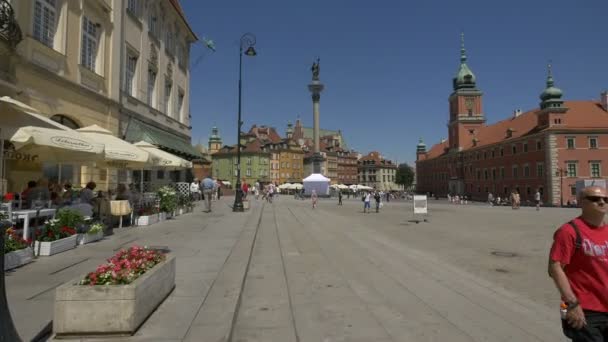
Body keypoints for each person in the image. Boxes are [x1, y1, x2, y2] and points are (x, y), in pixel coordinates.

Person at [548, 186, 608, 341]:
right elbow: (555, 268)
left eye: (606, 199)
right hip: (584, 309)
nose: (602, 202)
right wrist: (572, 304)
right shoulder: (568, 231)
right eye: (595, 199)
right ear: (581, 202)